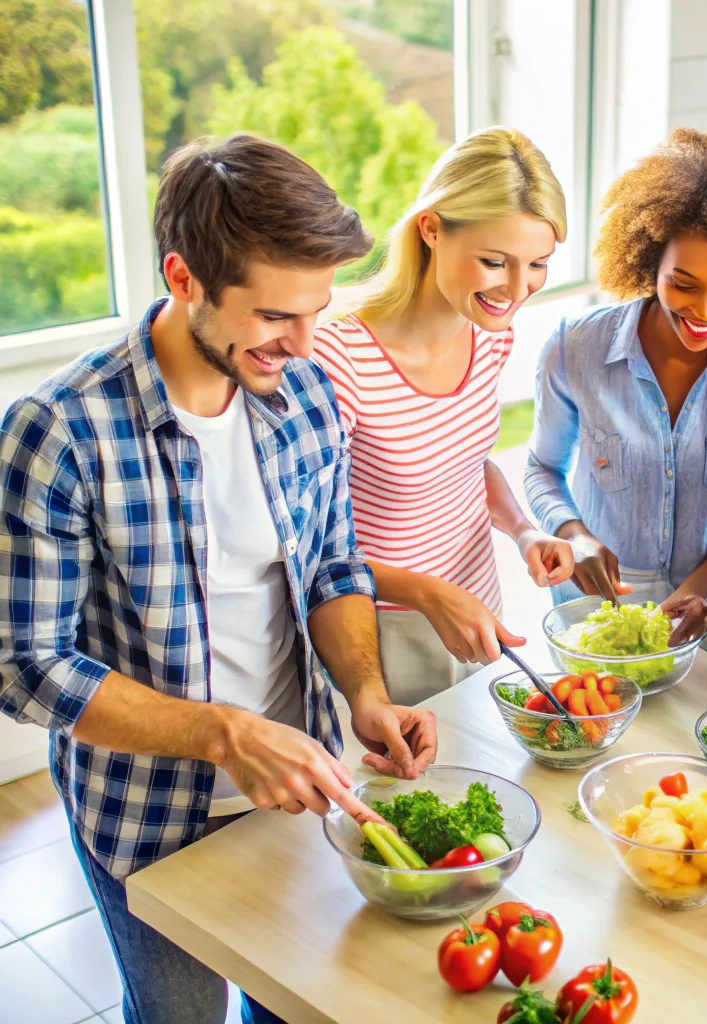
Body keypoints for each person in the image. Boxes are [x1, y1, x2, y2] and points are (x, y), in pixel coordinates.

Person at [0, 135, 438, 1024]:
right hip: (148, 813)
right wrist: (224, 735)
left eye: (317, 310)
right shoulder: (58, 434)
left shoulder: (306, 394)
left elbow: (332, 566)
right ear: (185, 276)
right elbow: (24, 665)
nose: (305, 343)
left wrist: (365, 691)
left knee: (293, 1007)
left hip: (303, 791)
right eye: (276, 315)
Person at [524, 127, 707, 639]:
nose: (706, 312)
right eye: (682, 284)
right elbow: (541, 469)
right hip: (592, 614)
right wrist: (575, 538)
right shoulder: (576, 346)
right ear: (650, 260)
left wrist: (698, 590)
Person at [312, 127, 574, 707]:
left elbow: (465, 464)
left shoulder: (489, 337)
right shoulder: (339, 359)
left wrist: (525, 530)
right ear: (431, 229)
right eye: (493, 261)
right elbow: (308, 547)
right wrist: (429, 595)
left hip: (477, 606)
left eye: (537, 264)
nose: (516, 288)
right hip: (383, 631)